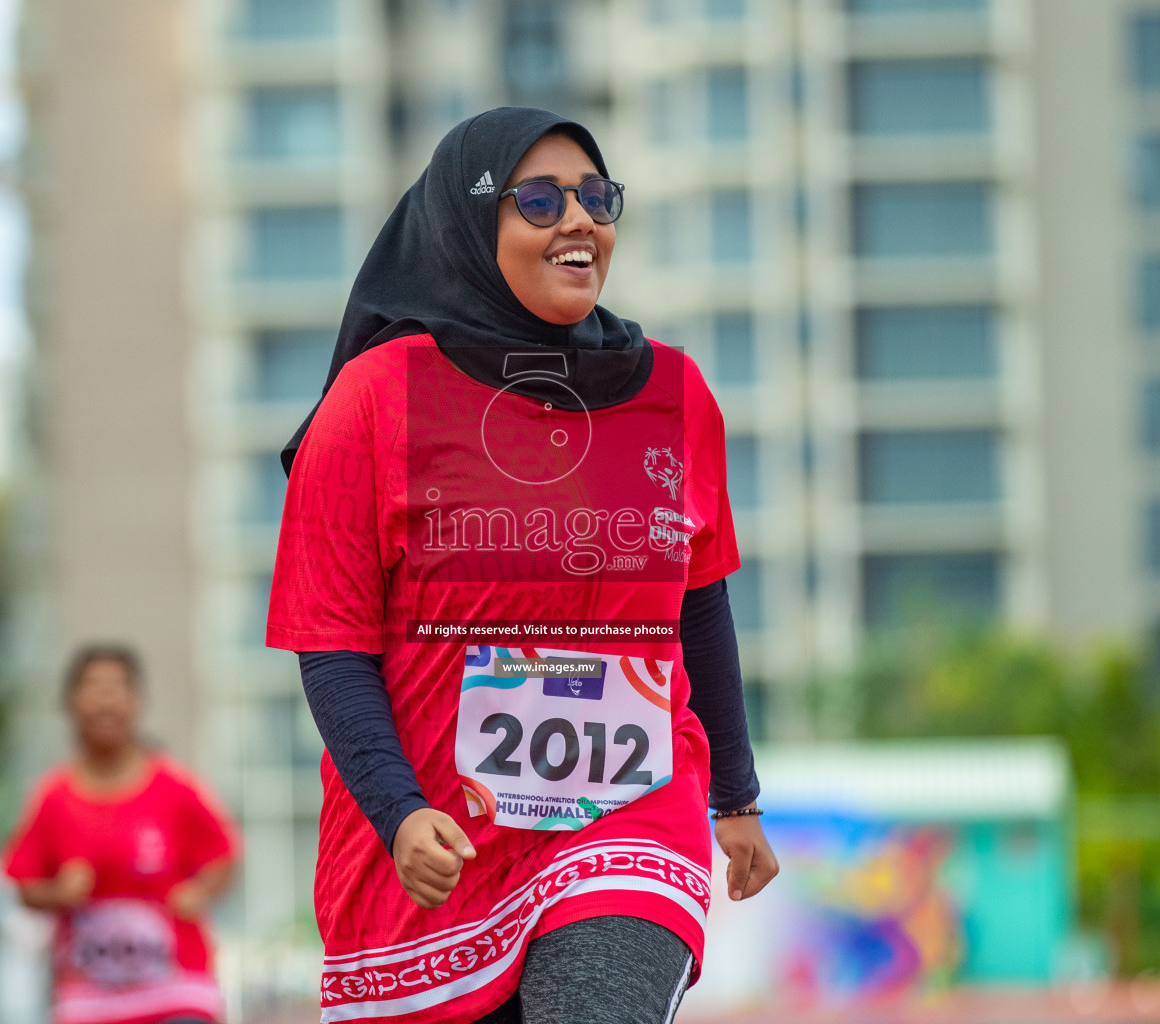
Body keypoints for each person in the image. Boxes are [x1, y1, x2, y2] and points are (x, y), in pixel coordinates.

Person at [266, 107, 779, 1024]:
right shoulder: (376, 398)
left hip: (629, 812)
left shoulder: (676, 394)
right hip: (438, 836)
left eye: (596, 197)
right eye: (538, 200)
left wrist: (735, 796)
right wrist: (398, 809)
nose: (579, 221)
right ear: (468, 230)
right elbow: (332, 647)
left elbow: (698, 602)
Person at [1, 645, 239, 1024]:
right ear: (71, 703)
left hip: (177, 993)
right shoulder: (52, 799)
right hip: (89, 1000)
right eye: (93, 687)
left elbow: (224, 857)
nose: (106, 699)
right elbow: (24, 886)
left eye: (118, 687)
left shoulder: (175, 787)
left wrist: (200, 892)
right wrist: (59, 893)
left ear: (137, 701)